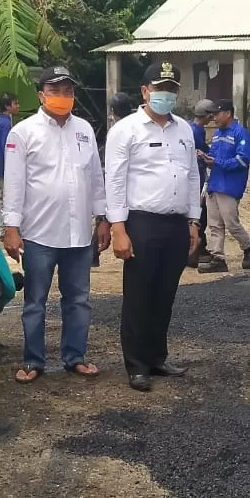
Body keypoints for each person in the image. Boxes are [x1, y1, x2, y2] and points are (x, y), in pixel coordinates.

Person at [2, 66, 109, 383]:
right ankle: (33, 361)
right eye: (55, 91)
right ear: (41, 95)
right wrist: (11, 227)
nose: (62, 97)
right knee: (35, 301)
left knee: (78, 300)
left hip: (78, 234)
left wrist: (102, 218)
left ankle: (75, 356)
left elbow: (95, 178)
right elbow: (14, 183)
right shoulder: (23, 132)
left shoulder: (84, 130)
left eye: (68, 91)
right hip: (39, 234)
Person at [105, 61, 201, 392]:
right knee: (139, 295)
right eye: (160, 89)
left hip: (176, 222)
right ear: (145, 92)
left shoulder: (184, 129)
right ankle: (137, 364)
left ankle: (158, 357)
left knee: (165, 294)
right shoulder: (126, 130)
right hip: (141, 221)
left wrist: (194, 220)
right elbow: (114, 180)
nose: (166, 95)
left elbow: (192, 176)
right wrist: (118, 227)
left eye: (172, 90)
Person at [199, 99, 250, 273]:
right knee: (214, 224)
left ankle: (249, 247)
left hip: (229, 185)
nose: (213, 117)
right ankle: (218, 257)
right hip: (215, 183)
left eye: (216, 114)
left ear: (228, 113)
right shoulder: (217, 133)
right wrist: (206, 157)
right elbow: (214, 155)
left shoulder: (240, 133)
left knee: (231, 223)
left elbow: (243, 159)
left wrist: (218, 162)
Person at [189, 98, 215, 268]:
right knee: (200, 213)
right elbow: (202, 151)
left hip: (194, 174)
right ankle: (197, 248)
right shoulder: (197, 131)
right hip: (196, 176)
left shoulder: (189, 126)